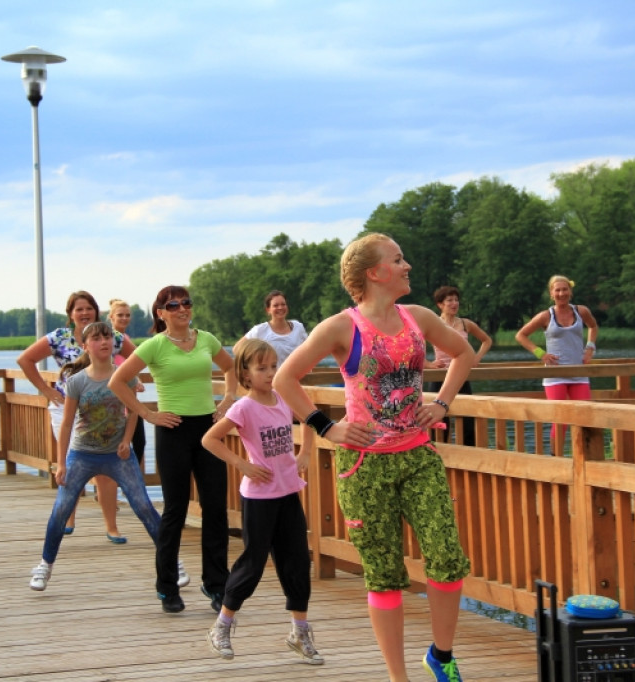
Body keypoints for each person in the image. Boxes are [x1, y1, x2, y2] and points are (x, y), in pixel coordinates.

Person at [273, 233, 474, 682]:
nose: (407, 266)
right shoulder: (342, 327)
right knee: (383, 574)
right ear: (374, 273)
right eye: (397, 260)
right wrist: (327, 427)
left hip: (418, 455)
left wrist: (440, 404)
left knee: (446, 557)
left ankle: (441, 656)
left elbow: (463, 353)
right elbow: (285, 379)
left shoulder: (418, 317)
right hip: (364, 466)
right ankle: (397, 677)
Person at [110, 286, 237, 615]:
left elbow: (231, 367)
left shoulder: (206, 339)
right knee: (175, 511)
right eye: (173, 305)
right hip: (172, 431)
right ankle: (167, 588)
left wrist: (227, 399)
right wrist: (149, 414)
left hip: (207, 430)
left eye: (186, 303)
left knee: (215, 509)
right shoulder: (155, 345)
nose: (182, 308)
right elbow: (117, 381)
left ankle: (216, 584)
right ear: (161, 313)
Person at [201, 339, 323, 664]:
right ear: (245, 372)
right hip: (259, 499)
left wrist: (306, 452)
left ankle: (299, 632)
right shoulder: (243, 407)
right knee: (253, 564)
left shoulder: (283, 398)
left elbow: (310, 418)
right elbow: (209, 439)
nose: (270, 373)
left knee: (297, 562)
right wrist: (242, 464)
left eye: (273, 366)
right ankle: (222, 626)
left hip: (288, 493)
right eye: (262, 368)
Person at [28, 321, 163, 591]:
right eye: (97, 338)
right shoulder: (77, 381)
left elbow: (134, 410)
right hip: (82, 454)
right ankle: (45, 565)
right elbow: (66, 423)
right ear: (86, 345)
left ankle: (171, 561)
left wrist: (126, 441)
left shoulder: (124, 376)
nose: (104, 342)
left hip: (117, 455)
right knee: (62, 508)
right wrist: (61, 462)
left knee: (144, 506)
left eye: (108, 338)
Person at [17, 291, 133, 541]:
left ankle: (111, 526)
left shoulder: (109, 335)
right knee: (72, 464)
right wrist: (47, 390)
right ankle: (69, 516)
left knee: (106, 467)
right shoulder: (59, 337)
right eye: (78, 309)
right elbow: (25, 359)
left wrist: (130, 381)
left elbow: (138, 358)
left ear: (96, 311)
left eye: (89, 308)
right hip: (67, 407)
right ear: (70, 314)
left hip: (106, 410)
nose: (84, 313)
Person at [514, 275, 599, 452]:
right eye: (557, 290)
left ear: (570, 291)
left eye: (564, 289)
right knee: (560, 420)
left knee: (585, 417)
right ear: (552, 294)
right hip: (555, 375)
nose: (561, 293)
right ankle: (556, 457)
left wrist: (590, 348)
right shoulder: (546, 316)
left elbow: (593, 326)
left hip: (578, 372)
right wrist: (540, 353)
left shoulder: (581, 311)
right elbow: (521, 335)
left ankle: (584, 459)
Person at [425, 285, 492, 447]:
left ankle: (468, 461)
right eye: (449, 300)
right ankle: (438, 458)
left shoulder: (465, 323)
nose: (454, 303)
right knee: (438, 422)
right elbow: (413, 347)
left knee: (468, 421)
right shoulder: (433, 323)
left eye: (456, 300)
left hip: (461, 376)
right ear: (440, 304)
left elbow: (486, 340)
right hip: (439, 377)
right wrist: (428, 364)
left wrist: (475, 358)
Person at [108, 299, 147, 470]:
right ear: (111, 317)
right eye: (120, 315)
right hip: (114, 400)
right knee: (112, 444)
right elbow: (115, 367)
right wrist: (134, 378)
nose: (124, 318)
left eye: (127, 315)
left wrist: (136, 378)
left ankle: (130, 480)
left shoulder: (125, 339)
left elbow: (131, 364)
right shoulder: (109, 339)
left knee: (139, 442)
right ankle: (105, 487)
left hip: (130, 400)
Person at [235, 290, 308, 366]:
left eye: (283, 304)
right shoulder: (260, 330)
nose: (280, 308)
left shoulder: (298, 327)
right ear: (268, 310)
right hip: (271, 377)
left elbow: (308, 351)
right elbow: (237, 349)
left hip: (297, 376)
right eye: (275, 305)